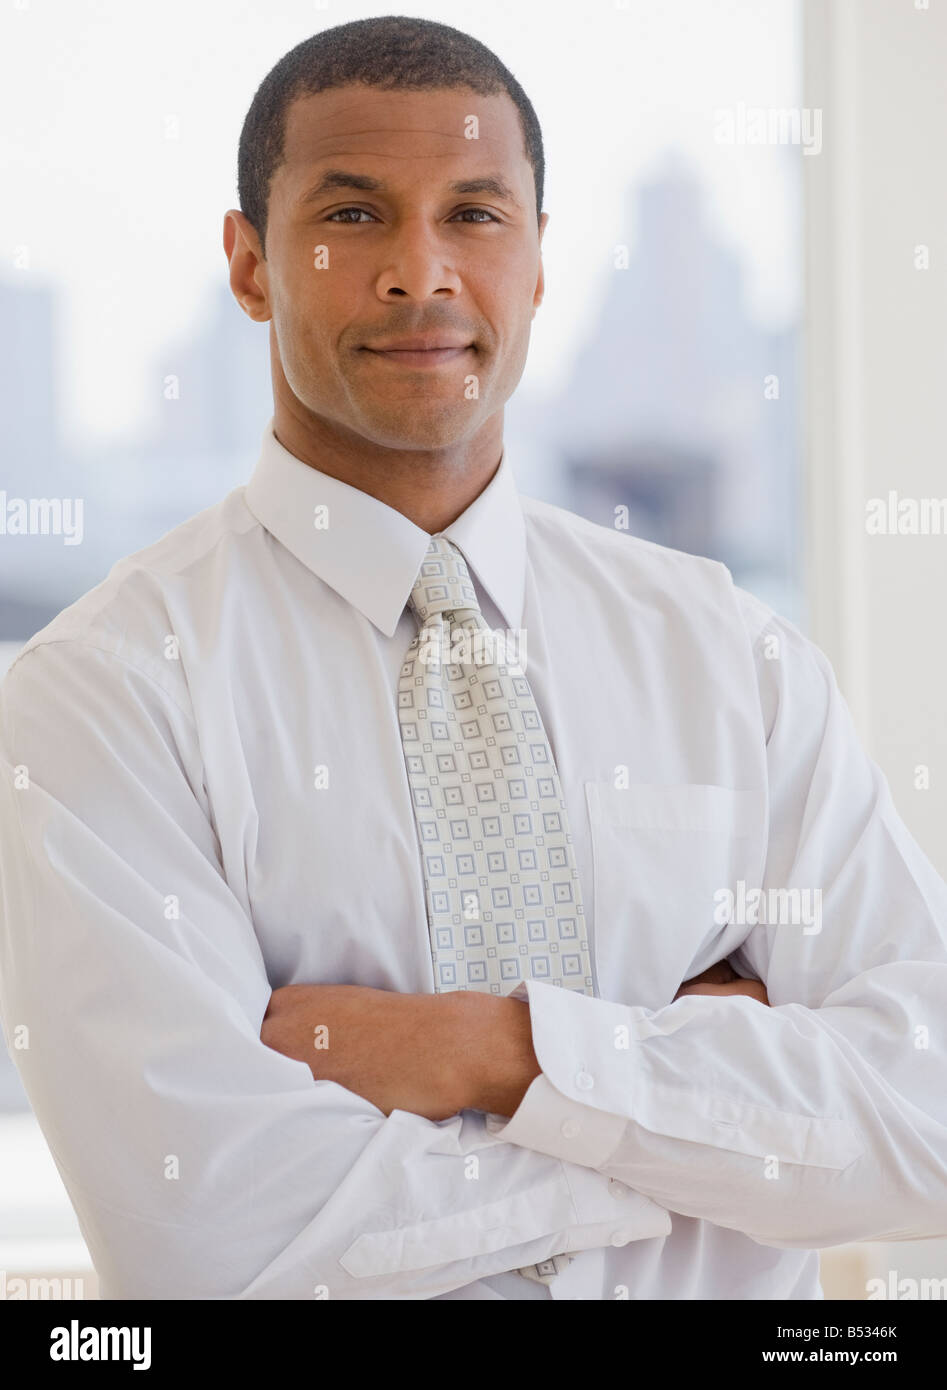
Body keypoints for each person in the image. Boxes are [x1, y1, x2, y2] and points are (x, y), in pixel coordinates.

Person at [1, 15, 945, 1301]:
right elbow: (211, 1239)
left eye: (476, 213)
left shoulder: (732, 658)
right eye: (353, 212)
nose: (420, 272)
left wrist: (500, 1053)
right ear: (248, 262)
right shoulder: (103, 694)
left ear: (542, 259)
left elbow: (928, 1117)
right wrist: (701, 1116)